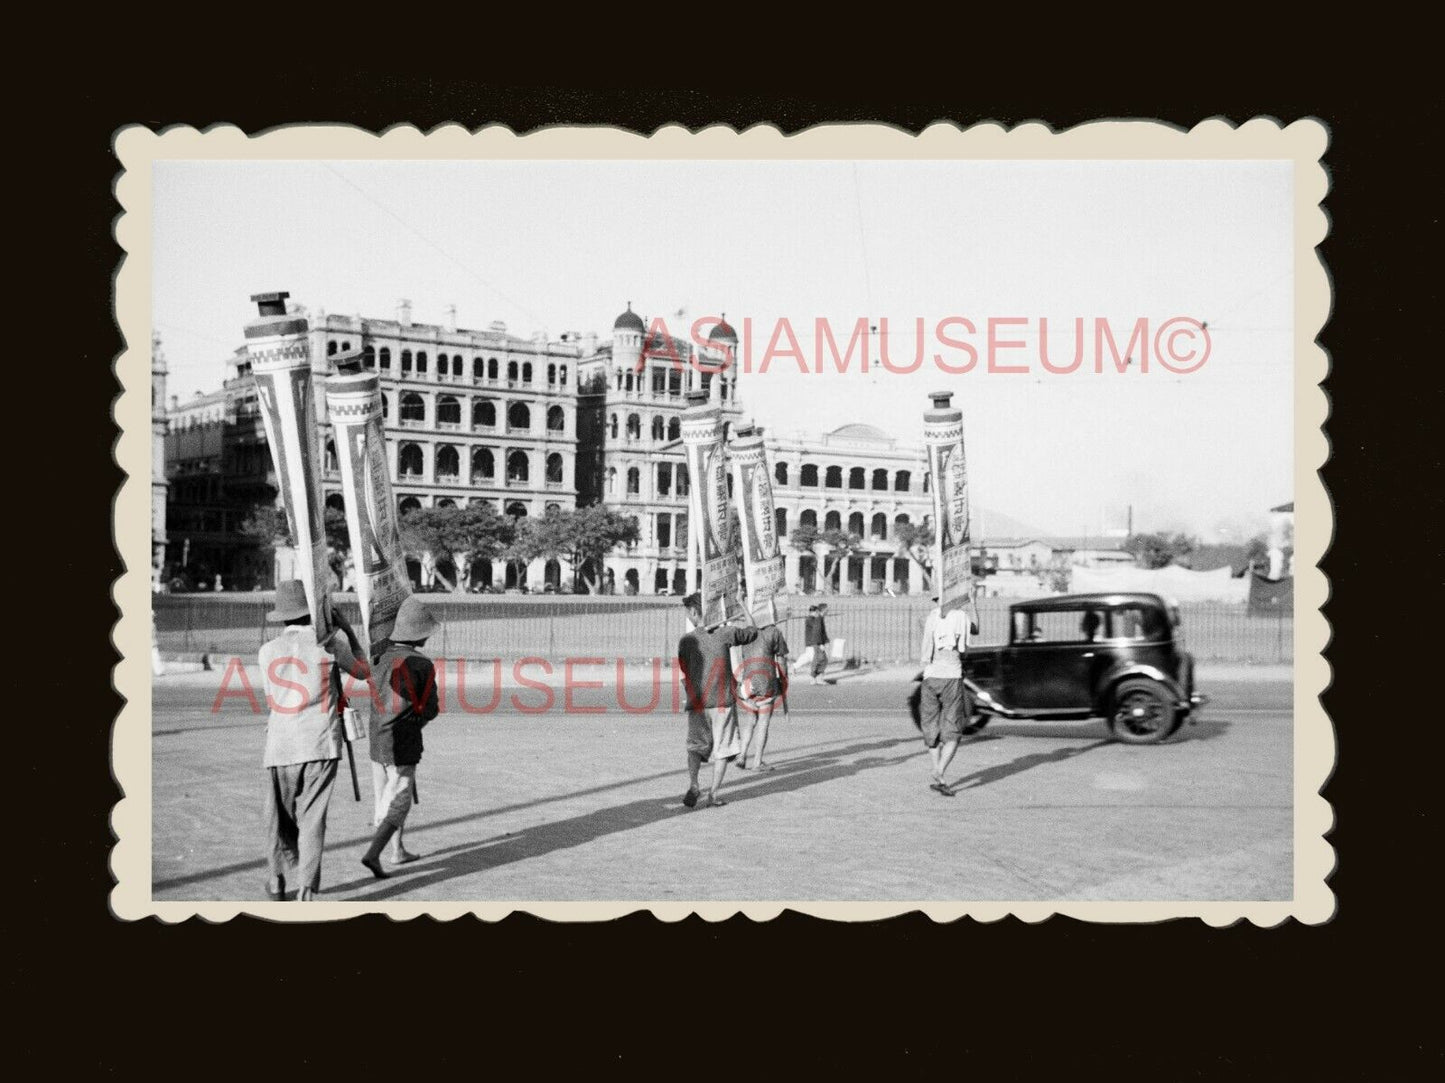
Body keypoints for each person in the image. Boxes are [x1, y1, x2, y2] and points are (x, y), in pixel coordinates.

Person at [258, 580, 369, 900]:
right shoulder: (331, 644)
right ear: (316, 613)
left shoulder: (267, 651)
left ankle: (277, 880)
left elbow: (271, 699)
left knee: (278, 816)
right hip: (320, 742)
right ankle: (306, 887)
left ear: (282, 617)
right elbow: (363, 671)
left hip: (279, 744)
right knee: (312, 817)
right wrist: (347, 630)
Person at [361, 595, 441, 879]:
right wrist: (415, 723)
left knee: (383, 797)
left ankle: (398, 849)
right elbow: (431, 710)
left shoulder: (379, 658)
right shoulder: (423, 665)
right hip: (403, 743)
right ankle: (375, 853)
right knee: (399, 801)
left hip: (376, 738)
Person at [676, 593, 759, 808]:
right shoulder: (725, 633)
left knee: (695, 747)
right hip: (722, 701)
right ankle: (713, 793)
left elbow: (684, 671)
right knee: (723, 748)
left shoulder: (687, 641)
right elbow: (752, 632)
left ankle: (694, 784)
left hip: (697, 702)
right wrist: (742, 604)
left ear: (694, 612)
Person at [916, 594, 979, 797]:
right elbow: (975, 629)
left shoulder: (931, 618)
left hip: (930, 677)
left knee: (931, 726)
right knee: (953, 730)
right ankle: (939, 770)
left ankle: (938, 772)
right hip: (951, 676)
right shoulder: (960, 618)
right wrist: (974, 604)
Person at [735, 618, 791, 772]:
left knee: (751, 719)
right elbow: (781, 661)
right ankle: (757, 761)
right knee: (763, 722)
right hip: (765, 681)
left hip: (748, 680)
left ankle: (742, 754)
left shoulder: (747, 631)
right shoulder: (774, 632)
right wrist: (784, 680)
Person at [804, 603, 830, 684]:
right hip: (817, 642)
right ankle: (816, 677)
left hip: (817, 642)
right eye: (827, 609)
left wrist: (826, 640)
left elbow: (823, 632)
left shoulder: (820, 618)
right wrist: (820, 643)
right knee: (820, 659)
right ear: (823, 610)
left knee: (821, 659)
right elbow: (817, 632)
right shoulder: (819, 618)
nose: (828, 611)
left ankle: (816, 677)